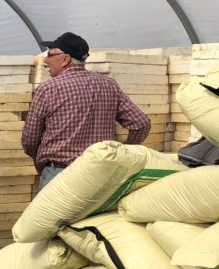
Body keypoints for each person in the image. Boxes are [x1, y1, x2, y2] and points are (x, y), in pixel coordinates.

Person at [22, 31, 151, 190]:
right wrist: (122, 152)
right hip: (100, 172)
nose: (45, 59)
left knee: (54, 215)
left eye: (50, 54)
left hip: (61, 173)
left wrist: (43, 163)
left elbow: (30, 139)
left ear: (65, 59)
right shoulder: (108, 85)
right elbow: (141, 124)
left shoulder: (49, 89)